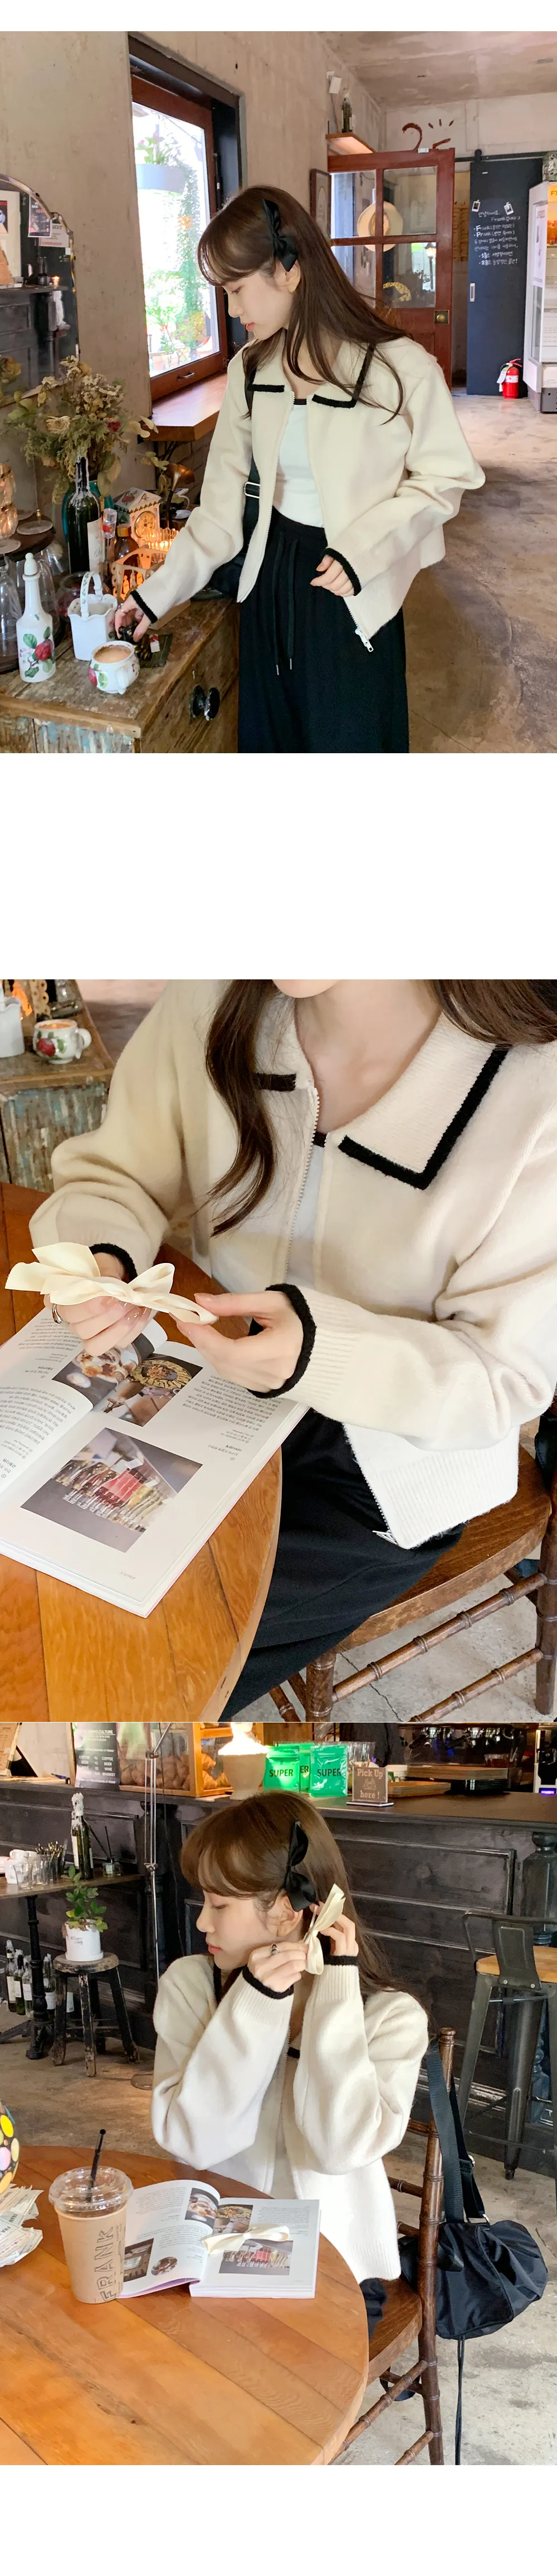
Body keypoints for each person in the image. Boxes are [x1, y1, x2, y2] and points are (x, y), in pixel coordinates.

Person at [30, 977, 557, 1713]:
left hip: (384, 1471)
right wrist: (99, 1257)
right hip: (206, 1390)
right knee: (42, 1595)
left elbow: (502, 1377)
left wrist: (319, 1355)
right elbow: (115, 1173)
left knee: (120, 1670)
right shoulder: (210, 1000)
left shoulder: (537, 1090)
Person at [114, 184, 485, 754]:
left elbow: (446, 479)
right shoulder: (250, 371)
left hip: (352, 590)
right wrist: (152, 597)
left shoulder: (399, 367)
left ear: (289, 269)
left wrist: (363, 550)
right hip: (268, 584)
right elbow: (219, 512)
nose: (232, 311)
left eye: (237, 290)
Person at [151, 1788, 428, 2304]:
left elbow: (339, 2149)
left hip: (338, 2266)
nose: (202, 1922)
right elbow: (193, 2140)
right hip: (213, 2248)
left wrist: (336, 1993)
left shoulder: (391, 2018)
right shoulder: (190, 1986)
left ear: (286, 1909)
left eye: (219, 1904)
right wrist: (255, 2003)